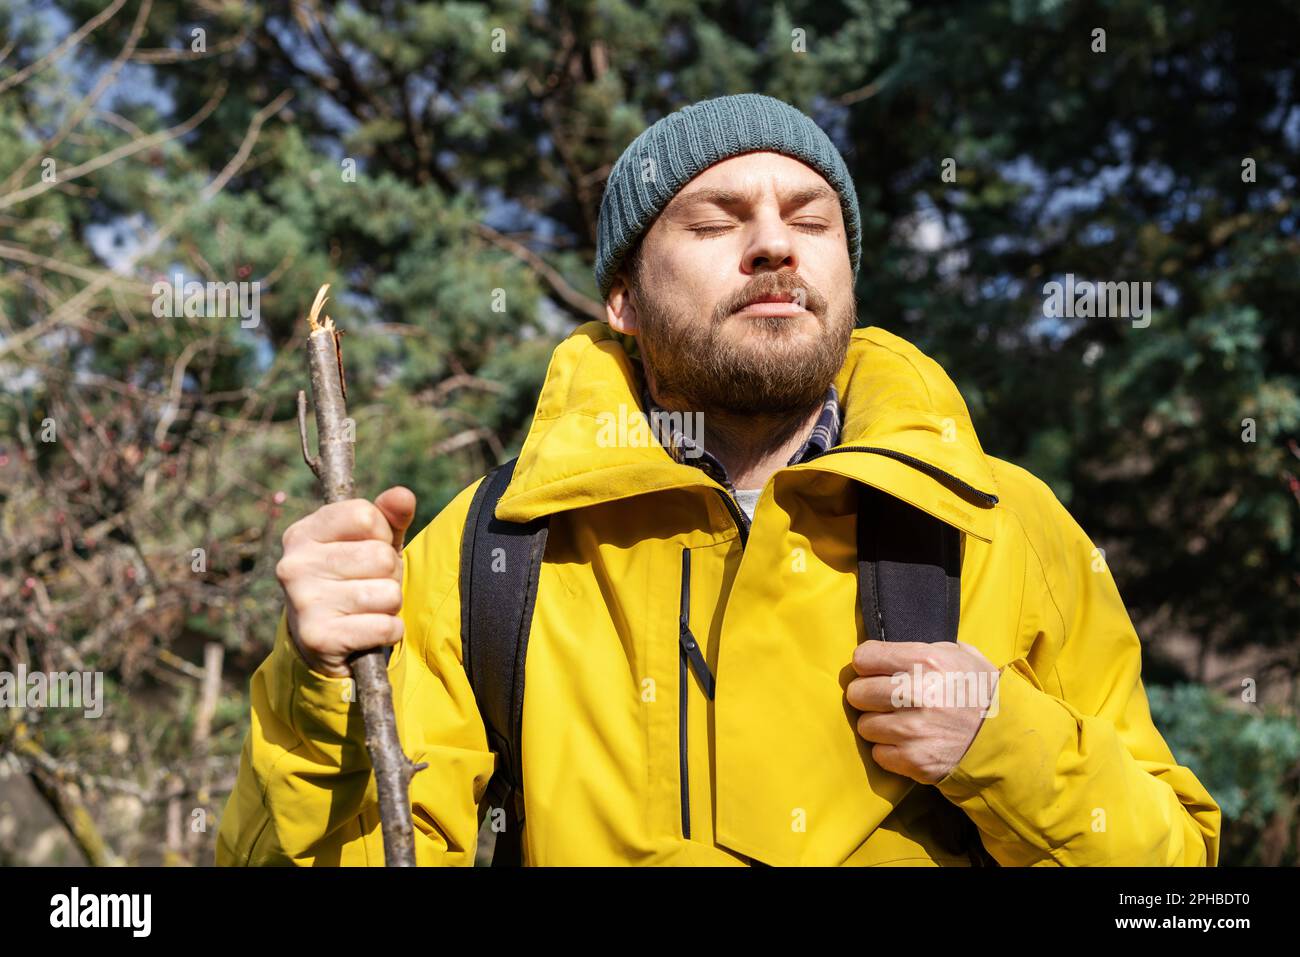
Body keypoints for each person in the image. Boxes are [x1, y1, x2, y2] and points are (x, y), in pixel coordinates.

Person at [217, 94, 1220, 866]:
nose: (775, 243)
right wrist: (316, 699)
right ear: (622, 298)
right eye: (714, 222)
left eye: (812, 220)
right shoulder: (484, 552)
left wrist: (1005, 742)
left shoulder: (1005, 525)